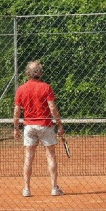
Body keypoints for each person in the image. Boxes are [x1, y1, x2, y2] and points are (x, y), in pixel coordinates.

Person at [13, 60, 65, 197]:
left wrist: (16, 128)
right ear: (40, 72)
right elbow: (52, 108)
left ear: (27, 73)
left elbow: (17, 110)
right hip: (45, 125)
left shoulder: (21, 89)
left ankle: (26, 189)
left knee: (28, 157)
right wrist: (59, 125)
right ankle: (54, 188)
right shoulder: (46, 87)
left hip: (29, 126)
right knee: (50, 155)